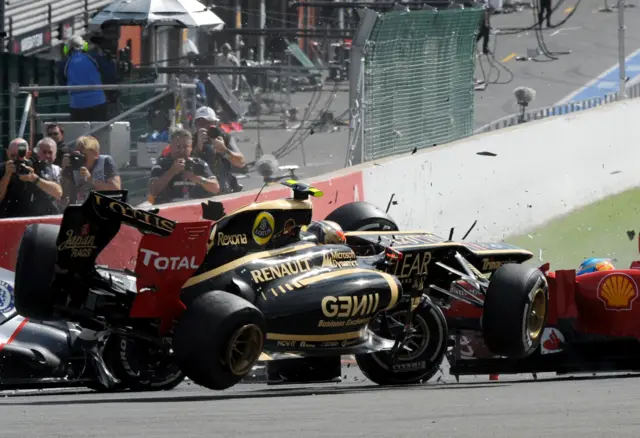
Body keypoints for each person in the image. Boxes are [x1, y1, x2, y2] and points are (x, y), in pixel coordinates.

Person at [148, 128, 220, 205]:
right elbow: (153, 191)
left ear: (191, 148)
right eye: (178, 147)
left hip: (194, 210)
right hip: (169, 210)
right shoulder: (160, 165)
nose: (182, 150)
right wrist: (172, 171)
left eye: (186, 147)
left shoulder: (199, 164)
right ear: (171, 147)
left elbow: (215, 188)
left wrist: (196, 178)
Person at [57, 35, 117, 122]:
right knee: (99, 132)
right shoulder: (95, 58)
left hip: (77, 105)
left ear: (67, 49)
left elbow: (62, 84)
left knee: (80, 134)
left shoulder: (64, 64)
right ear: (84, 46)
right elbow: (109, 74)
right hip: (98, 102)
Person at [0, 138, 63, 218]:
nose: (17, 160)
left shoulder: (38, 166)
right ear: (7, 153)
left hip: (34, 219)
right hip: (8, 219)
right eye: (13, 156)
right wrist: (7, 175)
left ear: (29, 153)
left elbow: (58, 193)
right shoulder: (3, 168)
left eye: (21, 155)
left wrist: (35, 179)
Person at [193, 106, 246, 194]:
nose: (206, 127)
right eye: (201, 123)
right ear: (195, 125)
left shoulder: (224, 137)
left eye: (209, 123)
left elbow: (241, 163)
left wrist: (225, 151)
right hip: (200, 190)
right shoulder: (192, 140)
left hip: (224, 189)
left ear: (216, 123)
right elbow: (187, 168)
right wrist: (198, 147)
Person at [60, 135, 121, 206]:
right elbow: (64, 197)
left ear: (96, 154)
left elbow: (116, 190)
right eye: (78, 153)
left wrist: (90, 179)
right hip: (81, 208)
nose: (80, 157)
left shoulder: (105, 162)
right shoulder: (73, 164)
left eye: (83, 154)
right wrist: (64, 171)